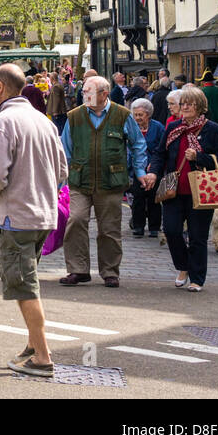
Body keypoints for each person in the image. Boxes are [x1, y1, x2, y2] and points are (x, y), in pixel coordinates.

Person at [0, 64, 68, 378]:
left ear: (1, 88)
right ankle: (33, 344)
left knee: (24, 286)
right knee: (24, 281)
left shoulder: (2, 122)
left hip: (17, 213)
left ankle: (43, 356)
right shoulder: (43, 122)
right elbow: (62, 171)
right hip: (43, 213)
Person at [58, 75, 150, 288]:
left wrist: (139, 171)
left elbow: (138, 144)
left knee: (109, 228)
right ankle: (78, 270)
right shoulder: (75, 116)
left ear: (104, 94)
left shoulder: (122, 115)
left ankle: (110, 271)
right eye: (84, 92)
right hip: (80, 180)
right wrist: (62, 178)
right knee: (76, 221)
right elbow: (65, 149)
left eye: (88, 92)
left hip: (111, 181)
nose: (84, 96)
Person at [161, 85, 218, 291]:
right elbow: (160, 153)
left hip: (201, 190)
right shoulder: (173, 128)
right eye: (183, 104)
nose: (186, 107)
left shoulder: (212, 129)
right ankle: (183, 266)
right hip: (174, 189)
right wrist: (153, 171)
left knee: (198, 237)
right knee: (171, 231)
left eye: (190, 104)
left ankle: (197, 278)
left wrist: (199, 157)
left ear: (200, 107)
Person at [127, 98, 165, 238]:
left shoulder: (158, 127)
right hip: (137, 168)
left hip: (153, 168)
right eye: (135, 115)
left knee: (154, 197)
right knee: (138, 197)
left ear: (148, 114)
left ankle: (154, 227)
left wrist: (154, 165)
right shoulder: (131, 127)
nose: (138, 118)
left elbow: (161, 148)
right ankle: (138, 226)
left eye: (140, 115)